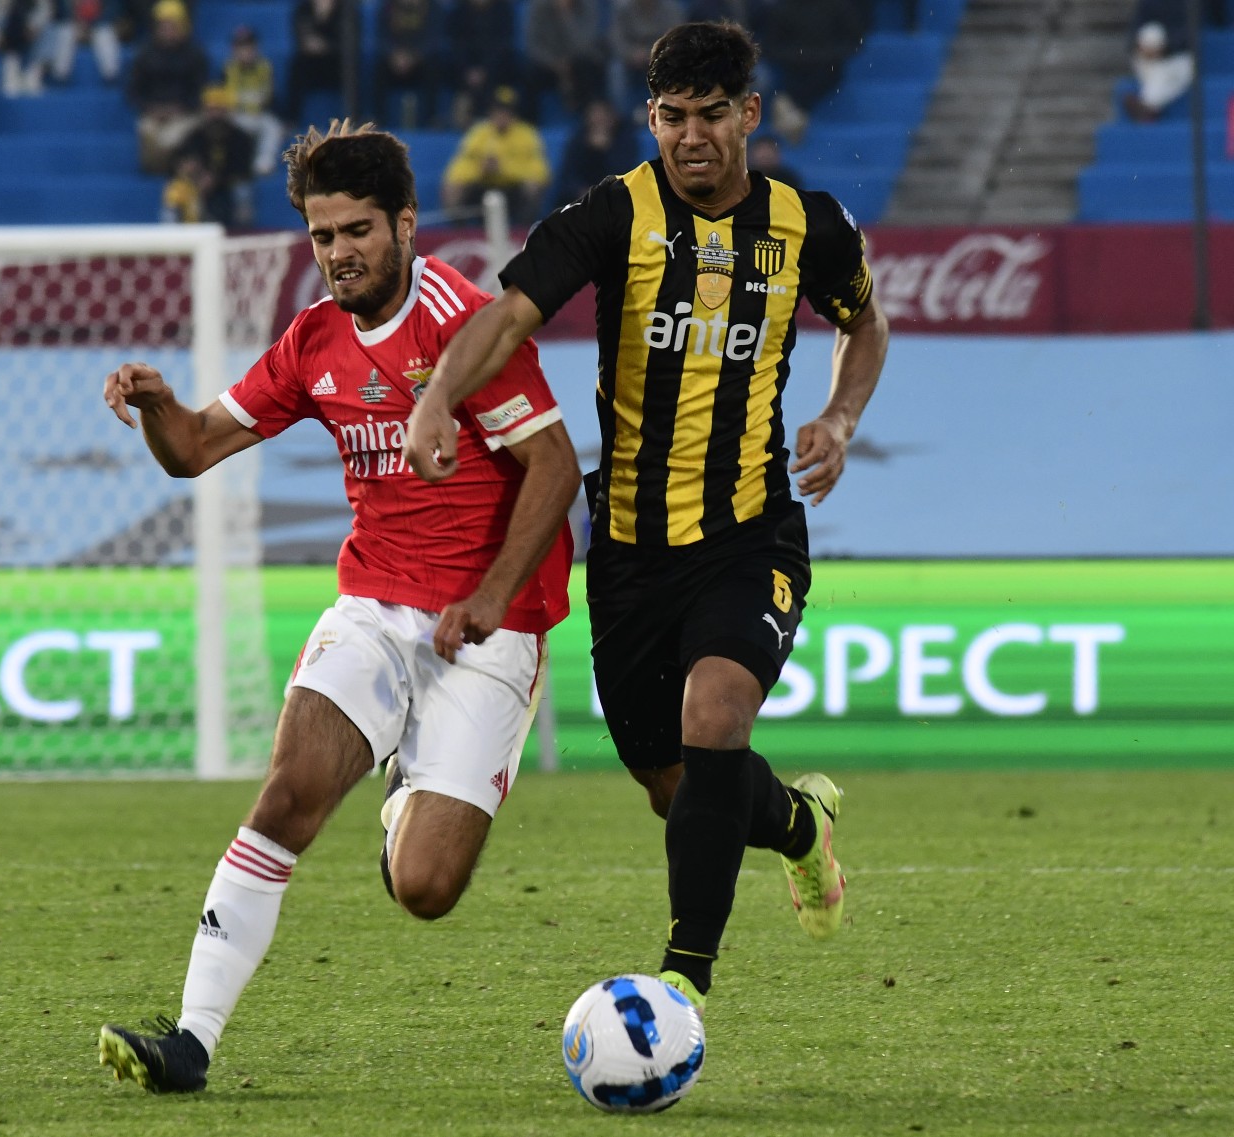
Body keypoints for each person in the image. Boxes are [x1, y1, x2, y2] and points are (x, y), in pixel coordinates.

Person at [405, 21, 888, 1013]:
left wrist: (839, 415)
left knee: (717, 718)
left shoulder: (810, 226)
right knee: (681, 786)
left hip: (750, 535)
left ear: (749, 114)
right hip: (627, 553)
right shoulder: (613, 215)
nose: (692, 137)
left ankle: (684, 986)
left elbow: (865, 320)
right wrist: (434, 398)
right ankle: (799, 826)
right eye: (672, 117)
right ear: (651, 118)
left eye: (713, 116)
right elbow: (505, 318)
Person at [96, 122, 580, 1094]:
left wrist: (489, 598)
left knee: (426, 890)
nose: (339, 254)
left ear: (405, 224)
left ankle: (407, 786)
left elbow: (556, 466)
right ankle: (190, 1041)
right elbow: (196, 449)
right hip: (373, 609)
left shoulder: (462, 325)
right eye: (321, 236)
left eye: (357, 230)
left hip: (490, 630)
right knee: (288, 795)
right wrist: (156, 404)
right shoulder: (313, 339)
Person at [441, 85, 553, 225]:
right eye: (498, 110)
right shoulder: (479, 133)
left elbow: (541, 172)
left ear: (514, 113)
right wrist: (480, 169)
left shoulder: (527, 135)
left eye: (506, 111)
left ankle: (523, 234)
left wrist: (503, 169)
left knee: (533, 187)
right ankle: (459, 235)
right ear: (491, 112)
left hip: (513, 190)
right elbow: (458, 168)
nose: (502, 115)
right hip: (482, 187)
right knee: (452, 187)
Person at [758, 0, 866, 144]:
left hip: (829, 65)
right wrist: (799, 56)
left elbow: (855, 41)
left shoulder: (839, 6)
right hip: (793, 66)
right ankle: (792, 112)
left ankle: (794, 110)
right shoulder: (783, 9)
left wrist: (828, 55)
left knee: (825, 74)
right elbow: (770, 46)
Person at [127, 0, 210, 173]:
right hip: (153, 113)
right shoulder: (145, 54)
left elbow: (200, 90)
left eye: (172, 26)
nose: (167, 30)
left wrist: (180, 108)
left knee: (170, 138)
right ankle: (163, 168)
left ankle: (176, 168)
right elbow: (134, 91)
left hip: (184, 113)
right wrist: (151, 108)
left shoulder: (195, 55)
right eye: (163, 26)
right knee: (147, 130)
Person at [170, 85, 255, 227]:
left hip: (229, 182)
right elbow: (180, 160)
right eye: (211, 110)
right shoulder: (195, 136)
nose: (215, 115)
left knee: (243, 191)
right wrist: (190, 170)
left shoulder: (241, 138)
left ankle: (242, 233)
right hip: (200, 181)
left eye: (219, 110)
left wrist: (215, 179)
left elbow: (242, 169)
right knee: (177, 189)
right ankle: (174, 236)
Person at [550, 98, 641, 208]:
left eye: (602, 115)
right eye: (594, 114)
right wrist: (581, 190)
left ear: (612, 117)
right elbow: (568, 174)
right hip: (579, 196)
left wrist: (604, 151)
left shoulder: (624, 140)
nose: (598, 119)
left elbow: (625, 172)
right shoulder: (578, 139)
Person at [220, 25, 285, 177]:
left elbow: (270, 97)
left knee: (273, 127)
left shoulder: (265, 67)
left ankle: (264, 162)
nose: (245, 51)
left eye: (248, 46)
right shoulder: (227, 69)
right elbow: (223, 97)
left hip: (258, 114)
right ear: (234, 49)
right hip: (235, 115)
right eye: (240, 47)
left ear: (255, 48)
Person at [525, 0, 605, 121]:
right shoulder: (538, 7)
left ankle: (586, 122)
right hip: (548, 62)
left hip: (577, 60)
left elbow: (584, 45)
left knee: (588, 68)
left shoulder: (587, 6)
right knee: (527, 73)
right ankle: (530, 124)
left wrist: (566, 16)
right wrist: (554, 63)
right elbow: (533, 45)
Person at [446, 0, 520, 126]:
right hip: (464, 70)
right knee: (444, 65)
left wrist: (485, 71)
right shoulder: (459, 11)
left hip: (495, 69)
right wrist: (468, 70)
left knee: (511, 67)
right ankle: (461, 119)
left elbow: (503, 45)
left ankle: (495, 117)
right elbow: (455, 46)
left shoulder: (503, 10)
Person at [608, 0, 685, 110]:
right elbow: (616, 39)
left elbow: (676, 39)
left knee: (676, 65)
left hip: (662, 57)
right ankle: (621, 114)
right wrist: (631, 53)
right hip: (630, 57)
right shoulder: (623, 9)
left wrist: (653, 53)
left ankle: (668, 108)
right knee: (616, 69)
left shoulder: (670, 9)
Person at [0, 0, 54, 96]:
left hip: (27, 27)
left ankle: (34, 73)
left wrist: (35, 25)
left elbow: (45, 8)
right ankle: (11, 73)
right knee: (12, 18)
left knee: (49, 29)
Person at [376, 0, 437, 128]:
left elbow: (433, 39)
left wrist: (413, 57)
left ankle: (432, 120)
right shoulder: (388, 7)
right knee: (378, 67)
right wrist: (394, 55)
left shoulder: (431, 7)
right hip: (393, 61)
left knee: (434, 67)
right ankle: (377, 120)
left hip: (419, 62)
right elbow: (381, 37)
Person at [1122, 18, 1193, 123]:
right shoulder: (1139, 60)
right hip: (1157, 67)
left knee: (1163, 74)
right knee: (1158, 73)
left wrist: (1164, 49)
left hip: (1177, 62)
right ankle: (1148, 109)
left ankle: (1147, 107)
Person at [282, 0, 342, 123]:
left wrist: (326, 45)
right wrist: (319, 18)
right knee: (297, 65)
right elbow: (301, 37)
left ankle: (353, 116)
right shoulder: (303, 9)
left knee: (350, 68)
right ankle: (291, 120)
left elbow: (348, 43)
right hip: (312, 65)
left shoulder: (345, 10)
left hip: (335, 65)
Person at [47, 0, 122, 85]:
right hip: (73, 25)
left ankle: (111, 77)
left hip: (98, 25)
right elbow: (62, 11)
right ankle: (60, 77)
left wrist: (92, 25)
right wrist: (77, 24)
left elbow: (113, 9)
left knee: (105, 34)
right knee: (65, 33)